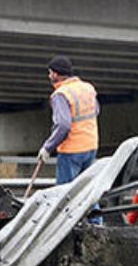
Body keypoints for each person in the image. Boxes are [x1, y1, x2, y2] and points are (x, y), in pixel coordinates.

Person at [39, 55, 100, 184]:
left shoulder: (61, 94)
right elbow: (96, 111)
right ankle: (95, 206)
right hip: (91, 146)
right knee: (86, 192)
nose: (49, 76)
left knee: (66, 195)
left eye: (50, 73)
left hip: (71, 150)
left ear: (56, 74)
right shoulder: (87, 88)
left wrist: (47, 148)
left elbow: (63, 125)